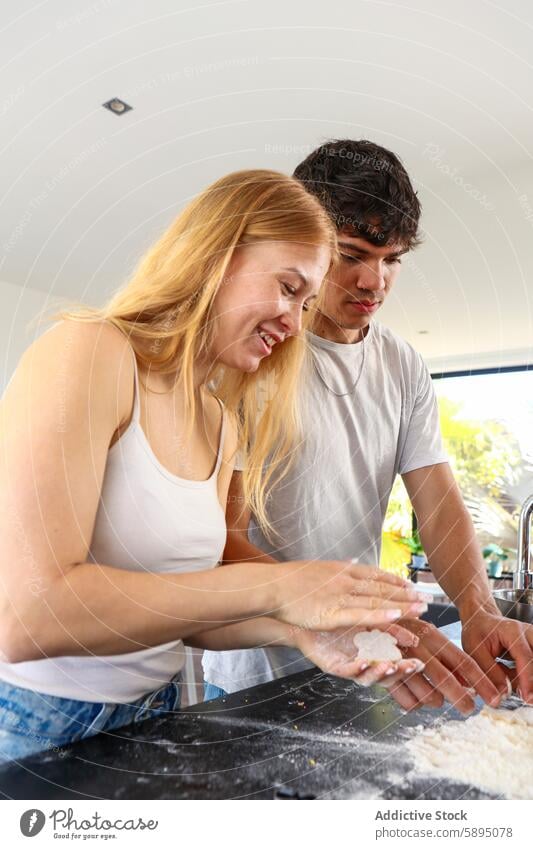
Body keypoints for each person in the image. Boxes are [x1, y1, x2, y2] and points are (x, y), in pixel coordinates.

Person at [0, 168, 429, 762]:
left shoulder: (220, 421)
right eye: (286, 287)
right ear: (218, 255)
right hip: (38, 722)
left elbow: (190, 614)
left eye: (306, 303)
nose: (295, 323)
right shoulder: (90, 352)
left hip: (158, 711)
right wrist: (281, 583)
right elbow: (28, 616)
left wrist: (304, 629)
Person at [203, 142, 533, 713]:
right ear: (304, 240)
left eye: (393, 259)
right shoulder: (253, 354)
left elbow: (436, 500)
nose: (373, 281)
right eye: (352, 254)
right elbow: (220, 541)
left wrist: (480, 609)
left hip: (363, 663)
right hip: (253, 672)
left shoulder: (402, 365)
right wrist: (344, 620)